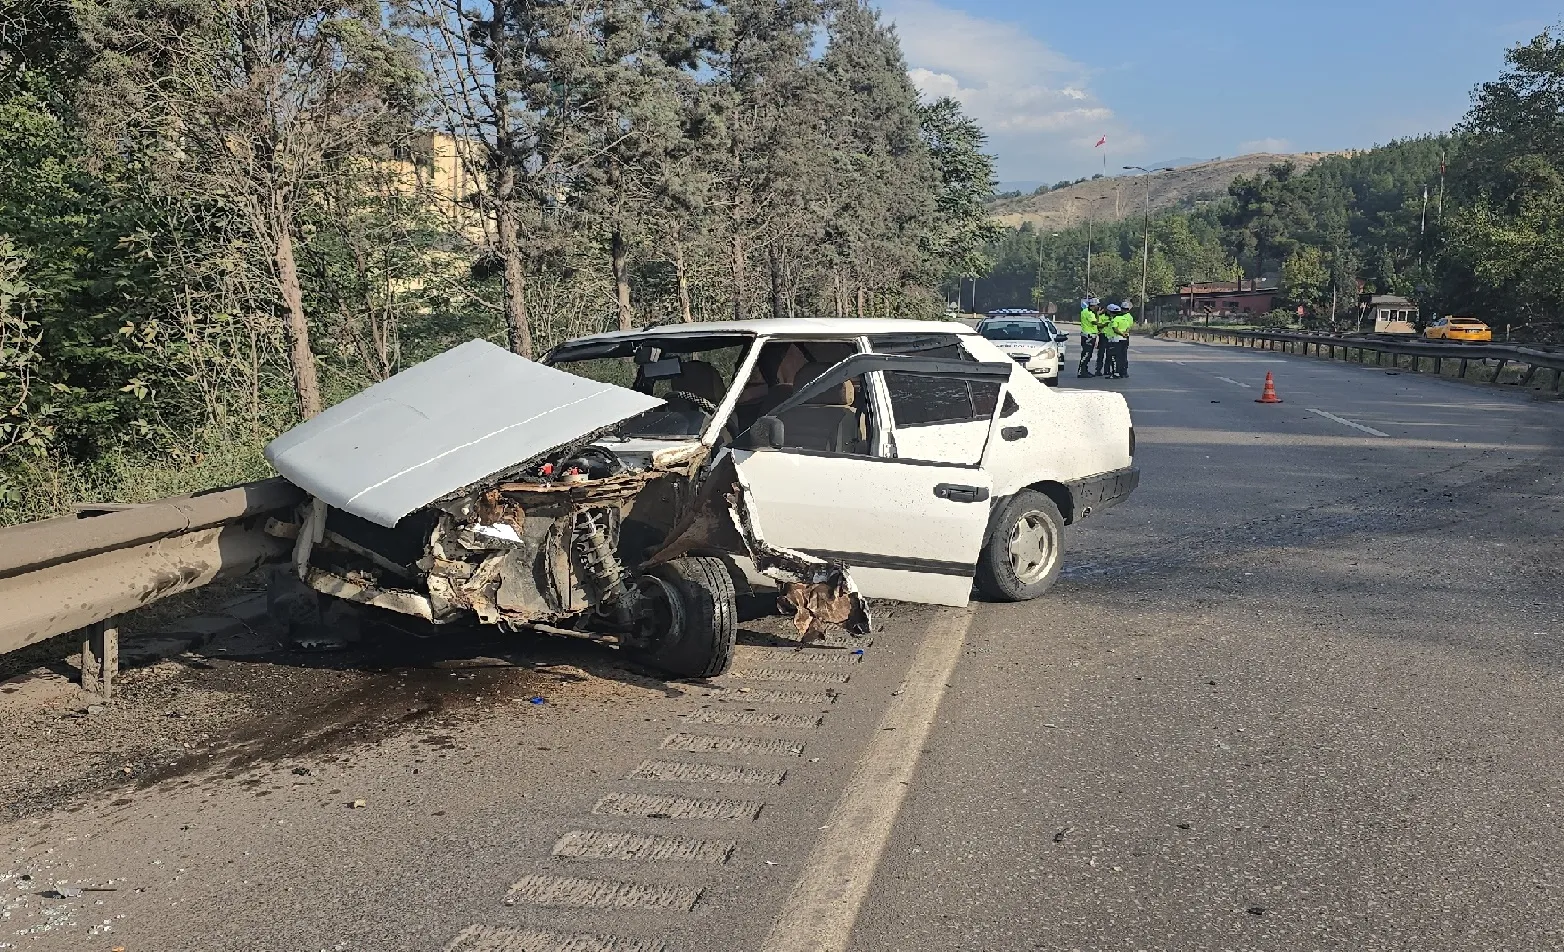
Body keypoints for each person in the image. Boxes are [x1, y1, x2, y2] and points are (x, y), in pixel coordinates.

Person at [1077, 299, 1100, 378]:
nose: (1098, 307)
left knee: (1088, 354)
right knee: (1086, 354)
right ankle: (1081, 371)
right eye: (1097, 305)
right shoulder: (1088, 313)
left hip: (1090, 335)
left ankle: (1084, 370)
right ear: (1093, 305)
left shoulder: (1088, 312)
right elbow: (1095, 322)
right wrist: (1098, 315)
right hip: (1088, 336)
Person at [1113, 302, 1135, 378]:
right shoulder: (1130, 317)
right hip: (1126, 337)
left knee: (1118, 356)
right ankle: (1124, 372)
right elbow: (1128, 327)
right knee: (1124, 355)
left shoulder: (1119, 317)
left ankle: (1119, 371)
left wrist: (1122, 334)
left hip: (1118, 337)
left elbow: (1115, 328)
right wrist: (1125, 333)